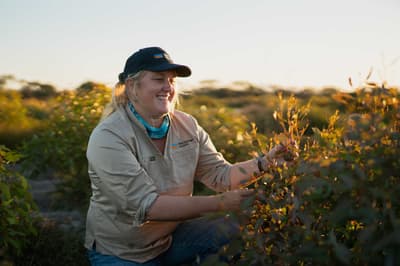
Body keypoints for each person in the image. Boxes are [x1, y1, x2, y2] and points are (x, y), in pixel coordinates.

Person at [85, 46, 296, 266]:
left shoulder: (187, 125)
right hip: (123, 252)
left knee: (238, 229)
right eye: (158, 79)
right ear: (132, 87)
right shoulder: (109, 136)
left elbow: (221, 176)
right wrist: (221, 203)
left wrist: (265, 162)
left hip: (171, 239)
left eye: (172, 80)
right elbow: (148, 207)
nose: (168, 87)